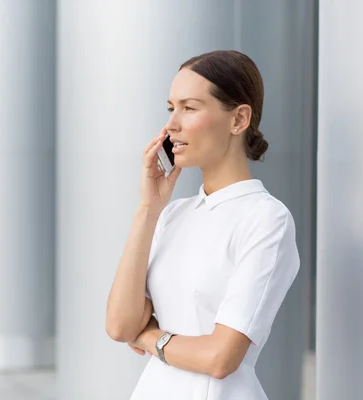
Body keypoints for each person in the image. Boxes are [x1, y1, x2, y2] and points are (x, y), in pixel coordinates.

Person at [105, 50, 301, 400]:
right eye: (171, 108)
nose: (172, 125)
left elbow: (221, 357)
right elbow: (120, 325)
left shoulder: (266, 220)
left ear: (239, 119)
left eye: (190, 107)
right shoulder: (172, 214)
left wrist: (149, 337)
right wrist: (148, 209)